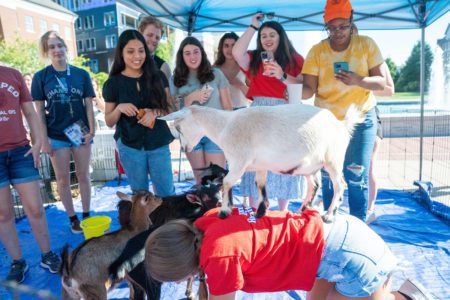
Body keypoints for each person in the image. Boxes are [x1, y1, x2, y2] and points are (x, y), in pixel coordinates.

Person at [145, 207, 432, 299]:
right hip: (337, 232)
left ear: (183, 268)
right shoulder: (208, 220)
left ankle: (400, 296)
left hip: (347, 256)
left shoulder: (218, 256)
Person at [302, 0, 386, 221]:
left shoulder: (366, 44)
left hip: (360, 118)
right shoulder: (317, 51)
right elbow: (308, 90)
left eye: (343, 26)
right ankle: (332, 225)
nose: (337, 32)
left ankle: (358, 225)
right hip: (326, 122)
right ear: (326, 26)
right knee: (329, 174)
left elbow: (384, 84)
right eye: (331, 27)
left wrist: (359, 80)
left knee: (356, 174)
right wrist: (284, 85)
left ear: (351, 22)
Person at [232, 13, 304, 211]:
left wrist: (282, 75)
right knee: (256, 159)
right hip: (258, 112)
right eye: (263, 36)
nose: (268, 39)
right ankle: (256, 210)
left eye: (272, 34)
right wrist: (253, 26)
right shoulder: (254, 57)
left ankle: (282, 210)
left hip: (284, 112)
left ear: (281, 36)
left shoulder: (294, 59)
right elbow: (237, 52)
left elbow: (303, 84)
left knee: (283, 158)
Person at [1, 65, 61, 283]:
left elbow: (30, 112)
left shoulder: (13, 74)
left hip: (20, 152)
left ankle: (47, 255)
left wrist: (38, 142)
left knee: (36, 208)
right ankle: (18, 261)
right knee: (3, 213)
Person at [32, 30, 95, 233]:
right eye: (51, 47)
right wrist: (44, 140)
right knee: (62, 179)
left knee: (83, 175)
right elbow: (39, 111)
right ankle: (72, 217)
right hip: (56, 135)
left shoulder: (81, 74)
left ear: (65, 47)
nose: (57, 50)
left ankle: (86, 214)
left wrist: (92, 130)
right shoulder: (41, 77)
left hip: (80, 132)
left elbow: (88, 105)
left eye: (59, 45)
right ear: (46, 51)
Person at [103, 29, 175, 197]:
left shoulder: (158, 76)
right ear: (121, 53)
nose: (137, 56)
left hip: (158, 142)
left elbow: (171, 109)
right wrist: (119, 108)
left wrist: (154, 112)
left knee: (166, 193)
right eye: (130, 51)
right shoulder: (113, 83)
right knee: (140, 197)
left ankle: (169, 224)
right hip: (130, 145)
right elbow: (109, 121)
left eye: (141, 50)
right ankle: (145, 224)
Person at [169, 37, 232, 184]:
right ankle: (204, 207)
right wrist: (191, 97)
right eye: (187, 53)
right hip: (190, 133)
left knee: (217, 179)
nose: (192, 56)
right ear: (181, 56)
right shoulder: (175, 79)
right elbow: (173, 109)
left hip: (215, 132)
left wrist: (229, 135)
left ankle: (217, 208)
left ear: (202, 53)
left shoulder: (216, 74)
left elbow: (228, 107)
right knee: (200, 179)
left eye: (196, 52)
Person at [367, 62, 395, 224]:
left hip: (369, 116)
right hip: (342, 116)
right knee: (337, 165)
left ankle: (370, 209)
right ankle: (326, 202)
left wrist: (361, 83)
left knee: (369, 166)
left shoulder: (374, 60)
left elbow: (390, 90)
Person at [214, 32, 250, 110]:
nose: (229, 49)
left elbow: (253, 95)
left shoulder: (245, 67)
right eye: (226, 46)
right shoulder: (214, 69)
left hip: (241, 111)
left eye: (233, 45)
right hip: (221, 111)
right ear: (221, 48)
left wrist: (241, 85)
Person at [138, 15, 171, 81]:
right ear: (140, 34)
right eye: (150, 35)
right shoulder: (124, 61)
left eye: (157, 38)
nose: (154, 40)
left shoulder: (163, 67)